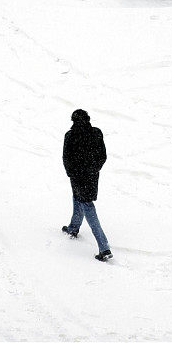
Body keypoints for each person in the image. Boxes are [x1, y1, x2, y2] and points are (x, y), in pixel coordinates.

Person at [62, 109, 112, 261]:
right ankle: (73, 228)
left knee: (87, 205)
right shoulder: (96, 133)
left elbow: (66, 158)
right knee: (79, 198)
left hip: (78, 176)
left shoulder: (70, 136)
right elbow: (102, 156)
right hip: (91, 176)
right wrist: (93, 169)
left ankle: (104, 248)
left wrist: (72, 173)